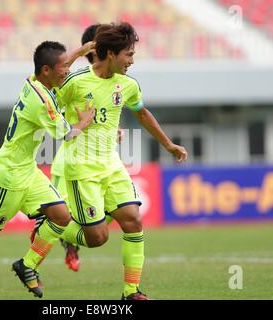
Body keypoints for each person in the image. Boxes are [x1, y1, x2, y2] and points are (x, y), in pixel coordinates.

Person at [0, 41, 95, 300]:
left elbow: (60, 63)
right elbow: (68, 134)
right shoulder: (43, 102)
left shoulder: (33, 80)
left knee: (61, 216)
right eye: (63, 68)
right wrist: (84, 121)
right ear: (46, 70)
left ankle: (26, 265)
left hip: (27, 170)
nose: (67, 71)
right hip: (9, 177)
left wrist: (81, 51)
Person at [53, 22, 188, 300]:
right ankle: (55, 227)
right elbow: (49, 97)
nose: (132, 60)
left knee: (133, 220)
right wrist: (73, 126)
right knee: (98, 238)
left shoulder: (127, 85)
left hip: (112, 165)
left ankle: (131, 292)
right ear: (111, 54)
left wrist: (168, 144)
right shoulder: (76, 81)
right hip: (81, 168)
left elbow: (142, 114)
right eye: (128, 54)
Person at [30, 24, 120, 273]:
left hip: (97, 163)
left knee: (108, 212)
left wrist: (109, 130)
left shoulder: (106, 80)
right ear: (96, 48)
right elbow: (47, 84)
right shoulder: (73, 79)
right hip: (71, 163)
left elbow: (102, 113)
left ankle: (66, 246)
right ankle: (31, 267)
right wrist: (80, 51)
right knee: (61, 218)